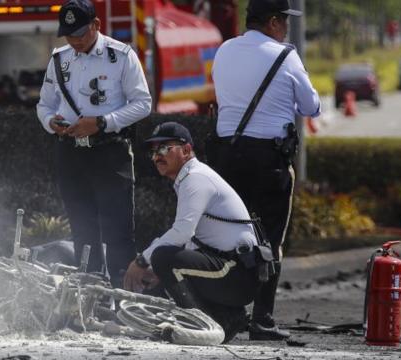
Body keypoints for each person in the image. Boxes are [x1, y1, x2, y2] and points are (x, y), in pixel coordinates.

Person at [211, 0, 320, 340]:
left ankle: (226, 315)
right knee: (269, 239)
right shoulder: (285, 56)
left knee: (230, 236)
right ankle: (262, 320)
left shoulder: (225, 50)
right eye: (285, 21)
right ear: (273, 22)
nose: (286, 27)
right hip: (268, 160)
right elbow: (311, 106)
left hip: (226, 156)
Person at [36, 0, 152, 288]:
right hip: (70, 152)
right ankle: (89, 290)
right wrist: (51, 122)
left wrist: (102, 122)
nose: (75, 41)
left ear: (96, 26)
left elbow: (143, 104)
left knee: (118, 231)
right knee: (82, 227)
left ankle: (122, 294)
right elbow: (44, 104)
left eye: (80, 34)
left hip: (109, 150)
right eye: (69, 35)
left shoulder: (121, 56)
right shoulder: (59, 59)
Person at [123, 122, 262, 343]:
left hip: (237, 272)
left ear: (186, 150)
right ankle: (228, 317)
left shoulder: (195, 178)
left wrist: (141, 261)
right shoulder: (190, 177)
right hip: (232, 270)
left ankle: (209, 325)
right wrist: (160, 271)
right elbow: (193, 241)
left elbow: (182, 233)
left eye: (163, 148)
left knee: (162, 256)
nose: (156, 156)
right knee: (163, 259)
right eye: (153, 151)